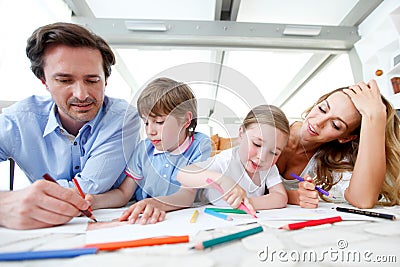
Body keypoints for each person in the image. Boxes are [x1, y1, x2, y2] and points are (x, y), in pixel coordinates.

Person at [0, 22, 140, 230]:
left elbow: (87, 188)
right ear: (44, 81)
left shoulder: (122, 118)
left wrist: (29, 195)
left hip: (108, 224)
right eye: (65, 80)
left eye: (92, 81)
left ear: (106, 80)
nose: (81, 95)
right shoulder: (17, 121)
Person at [87, 77, 211, 224]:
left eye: (159, 122)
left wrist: (155, 203)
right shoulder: (143, 149)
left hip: (181, 218)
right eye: (146, 122)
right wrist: (94, 201)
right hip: (145, 218)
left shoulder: (199, 146)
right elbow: (123, 194)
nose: (150, 131)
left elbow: (186, 196)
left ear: (186, 120)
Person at [276, 80, 400, 209]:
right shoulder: (269, 130)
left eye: (335, 125)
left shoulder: (334, 160)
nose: (319, 122)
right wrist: (290, 196)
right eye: (322, 109)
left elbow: (363, 200)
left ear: (346, 138)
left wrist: (375, 117)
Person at [177, 104, 289, 211]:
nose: (262, 157)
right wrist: (222, 181)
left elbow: (280, 197)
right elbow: (183, 174)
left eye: (274, 153)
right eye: (256, 144)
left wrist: (247, 202)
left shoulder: (269, 167)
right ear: (241, 134)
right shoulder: (226, 161)